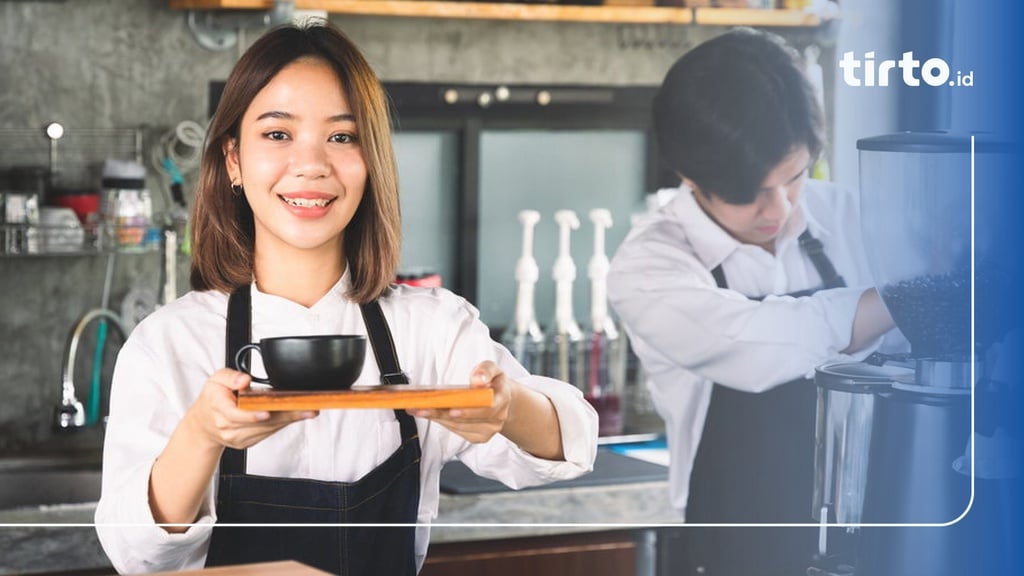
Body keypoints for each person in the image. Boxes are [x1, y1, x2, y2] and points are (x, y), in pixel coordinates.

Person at [94, 20, 597, 575]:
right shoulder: (169, 344)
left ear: (371, 160)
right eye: (278, 134)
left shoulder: (429, 327)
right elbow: (134, 554)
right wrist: (202, 433)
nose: (312, 165)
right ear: (233, 160)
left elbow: (570, 442)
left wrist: (506, 408)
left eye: (342, 136)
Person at [607, 28, 901, 576]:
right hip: (734, 553)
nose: (780, 208)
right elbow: (755, 346)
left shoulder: (854, 217)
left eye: (793, 178)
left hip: (871, 544)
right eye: (748, 194)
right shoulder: (649, 266)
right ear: (690, 177)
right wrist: (900, 299)